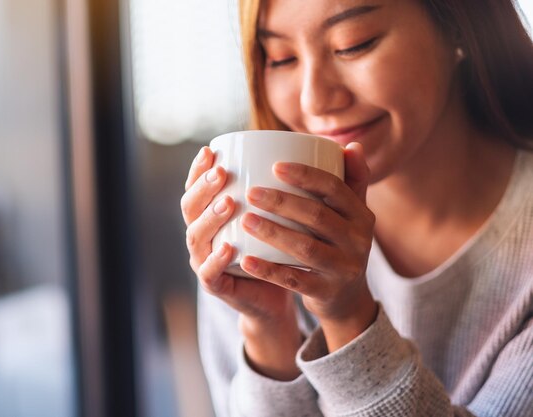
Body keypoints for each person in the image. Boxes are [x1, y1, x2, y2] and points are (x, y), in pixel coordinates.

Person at [180, 0, 533, 415]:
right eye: (281, 58)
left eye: (353, 44)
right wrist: (268, 331)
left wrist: (349, 318)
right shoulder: (258, 225)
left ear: (458, 23)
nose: (315, 100)